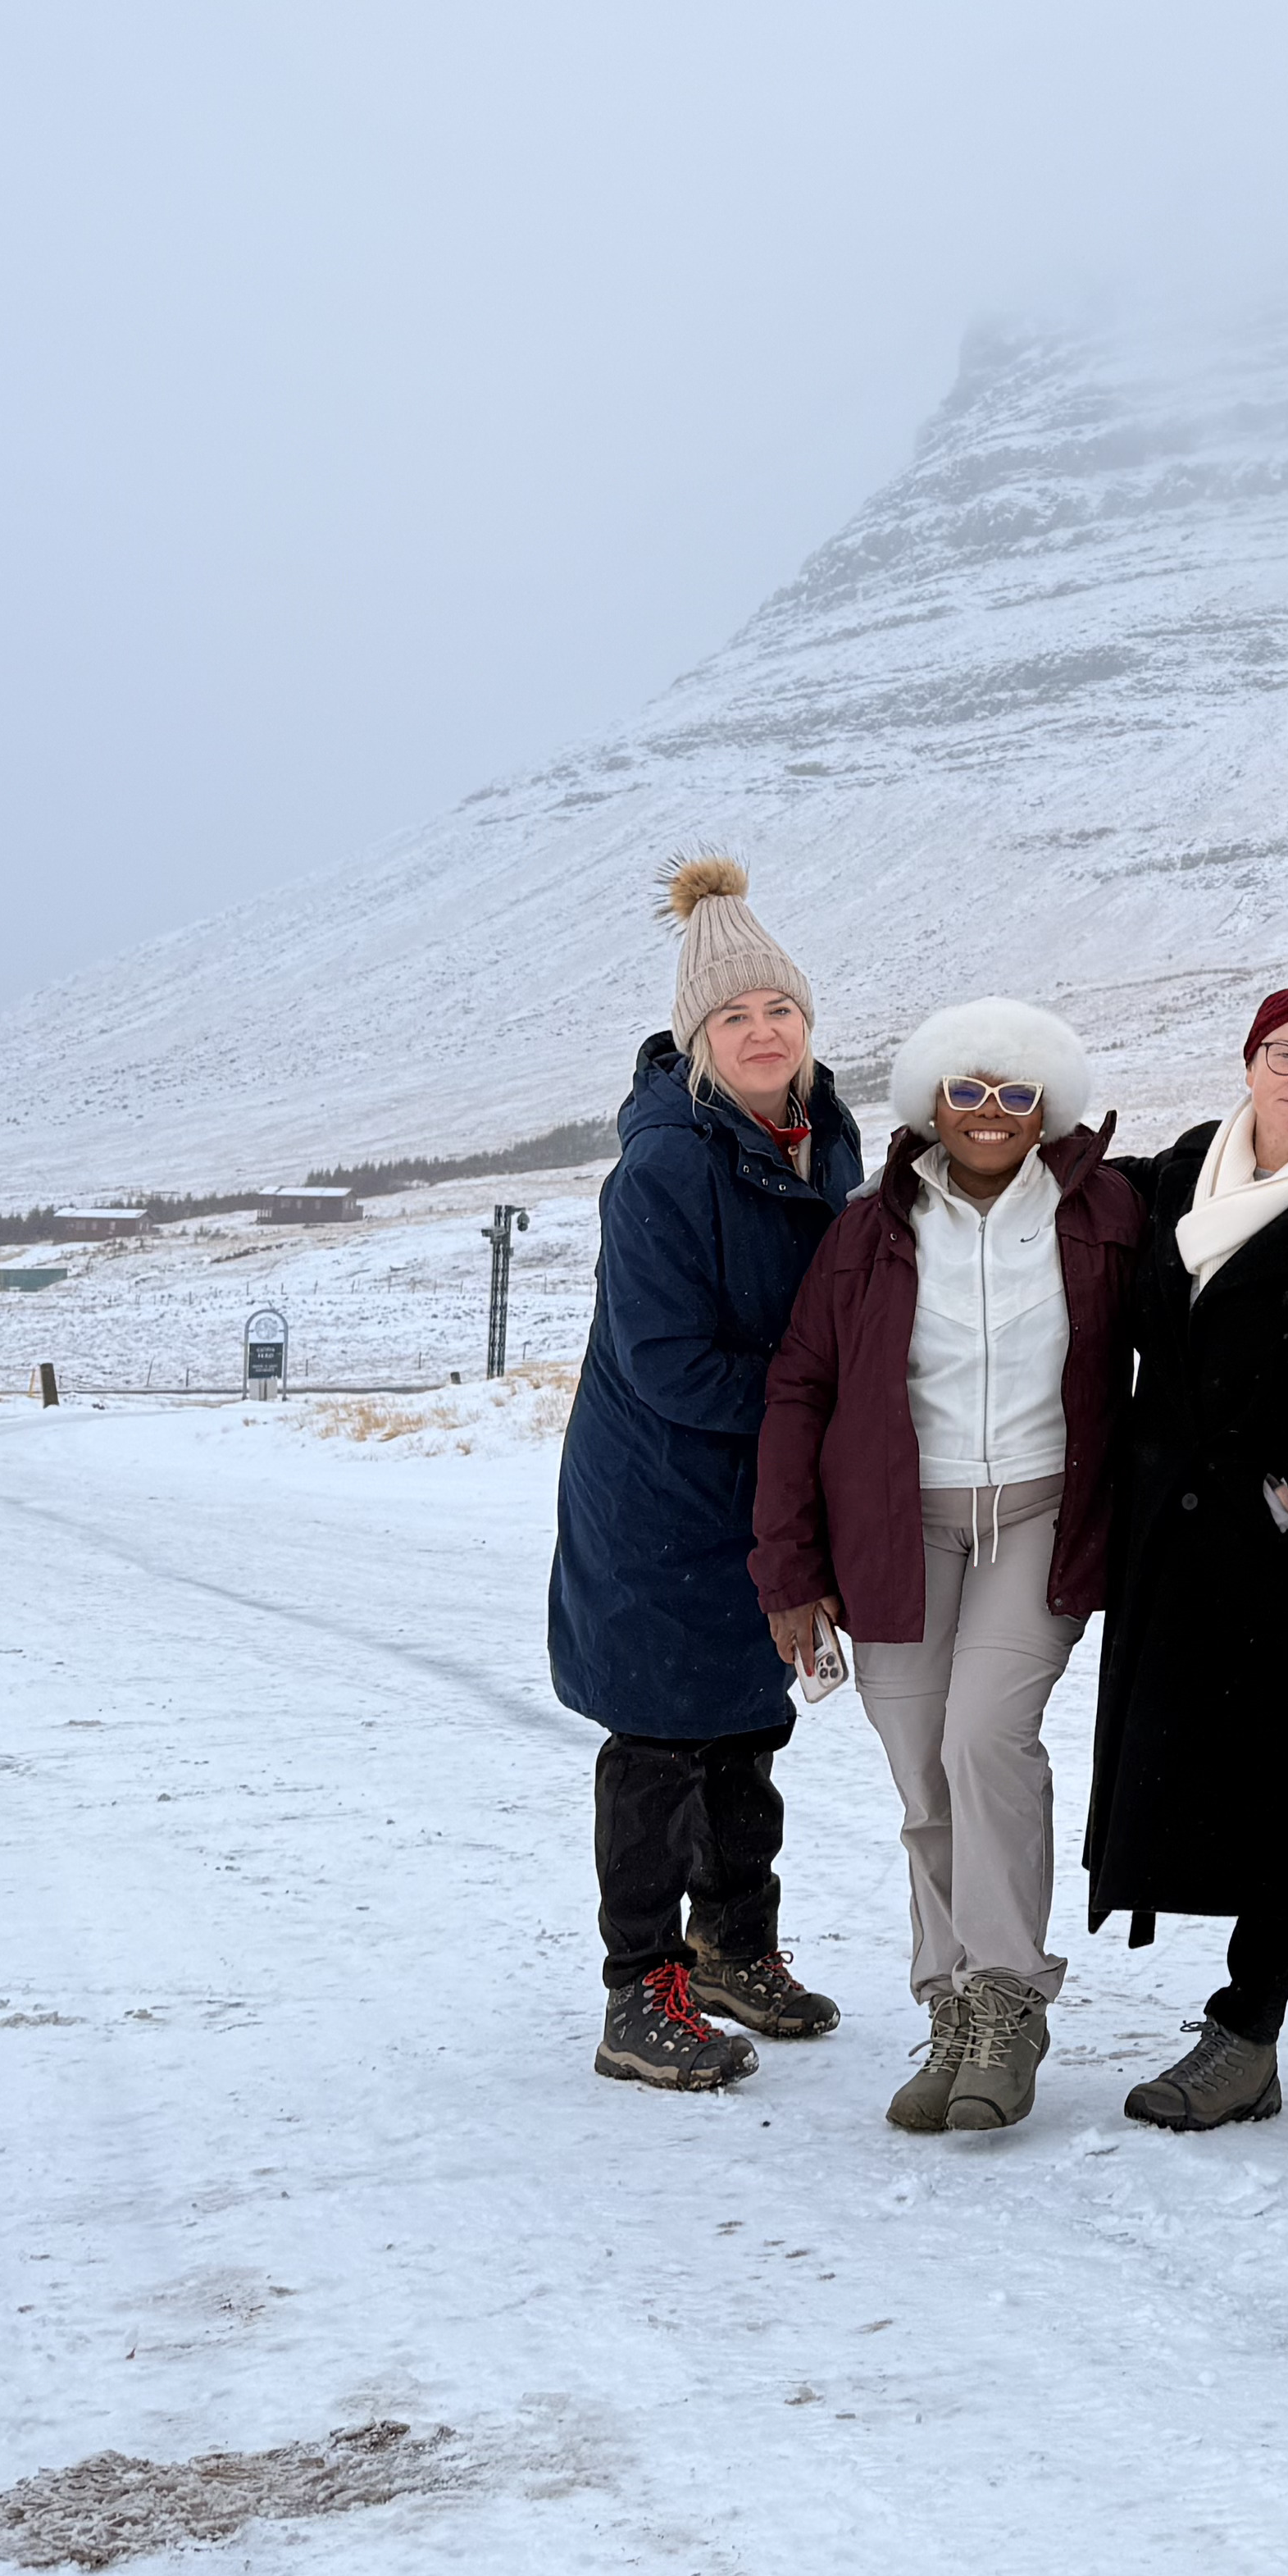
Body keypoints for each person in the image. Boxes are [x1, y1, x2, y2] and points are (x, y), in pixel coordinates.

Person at [753, 999, 1139, 2139]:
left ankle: (1009, 1998)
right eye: (967, 1091)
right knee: (923, 1771)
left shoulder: (1104, 1210)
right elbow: (800, 1392)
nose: (988, 1115)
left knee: (985, 1738)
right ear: (930, 1102)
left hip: (1039, 1517)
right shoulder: (868, 1229)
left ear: (1046, 1112)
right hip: (897, 1531)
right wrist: (788, 1571)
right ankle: (952, 2004)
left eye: (1016, 1096)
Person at [1083, 984, 1288, 2131]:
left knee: (1284, 1785)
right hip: (1169, 1536)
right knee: (1210, 1777)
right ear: (1249, 1061)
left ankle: (1248, 2034)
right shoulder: (1176, 1174)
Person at [547, 858, 854, 2092]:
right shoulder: (667, 1167)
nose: (764, 1031)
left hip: (757, 1496)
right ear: (698, 1042)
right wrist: (813, 1413)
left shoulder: (823, 1137)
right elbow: (668, 1362)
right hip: (659, 1498)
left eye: (779, 1010)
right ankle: (642, 1992)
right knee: (662, 1740)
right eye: (735, 1017)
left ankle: (735, 1948)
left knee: (746, 1728)